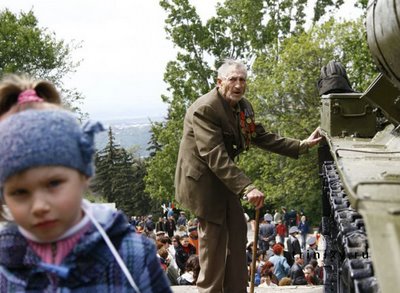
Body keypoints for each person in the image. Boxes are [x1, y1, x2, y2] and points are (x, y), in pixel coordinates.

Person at [174, 59, 322, 292]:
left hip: (225, 179)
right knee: (214, 246)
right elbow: (214, 155)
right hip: (203, 184)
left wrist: (301, 145)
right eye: (233, 79)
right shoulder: (205, 109)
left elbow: (261, 136)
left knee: (238, 233)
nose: (238, 85)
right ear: (219, 82)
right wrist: (247, 187)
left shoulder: (242, 107)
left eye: (242, 80)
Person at [0, 108, 172, 292]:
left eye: (54, 183)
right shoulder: (5, 266)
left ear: (83, 176)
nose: (39, 206)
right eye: (19, 192)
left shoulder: (133, 257)